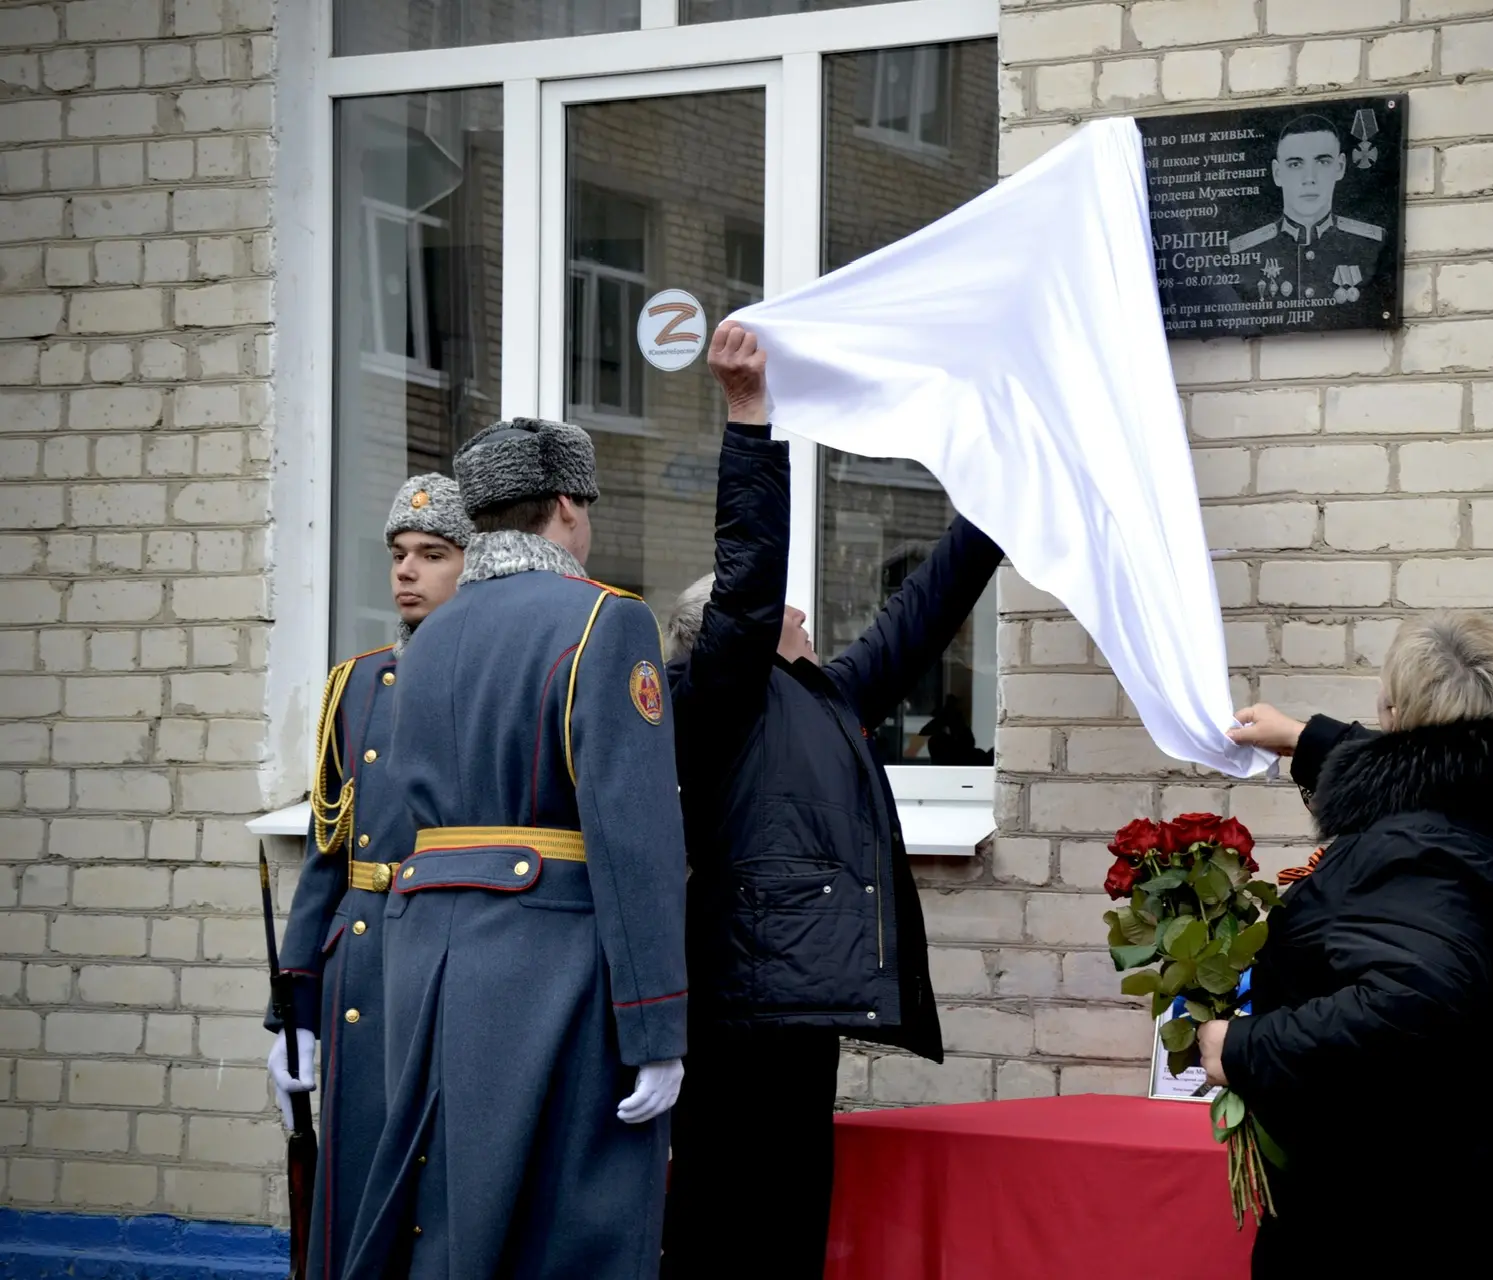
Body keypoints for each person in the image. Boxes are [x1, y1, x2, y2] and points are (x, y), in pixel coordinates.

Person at [658, 322, 1005, 1280]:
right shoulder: (714, 696)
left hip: (798, 1007)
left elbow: (920, 615)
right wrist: (750, 417)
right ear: (734, 631)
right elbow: (749, 575)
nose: (803, 611)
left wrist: (994, 504)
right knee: (724, 1226)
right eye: (786, 607)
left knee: (790, 1225)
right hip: (736, 1011)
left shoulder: (825, 697)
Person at [341, 418, 687, 1279]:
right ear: (567, 506)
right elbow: (634, 833)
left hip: (427, 956)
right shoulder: (605, 619)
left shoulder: (425, 640)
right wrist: (656, 1023)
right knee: (571, 1226)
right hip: (556, 957)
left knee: (451, 1218)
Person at [1206, 613, 1493, 1277]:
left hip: (1404, 1217)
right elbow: (1437, 770)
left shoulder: (1417, 852)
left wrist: (1242, 1048)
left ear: (1393, 712)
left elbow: (1405, 1004)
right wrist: (1307, 739)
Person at [266, 474, 471, 1280]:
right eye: (398, 554)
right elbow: (329, 856)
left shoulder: (490, 676)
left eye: (433, 553)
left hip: (453, 954)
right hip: (363, 958)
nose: (407, 571)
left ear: (474, 562)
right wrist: (294, 1015)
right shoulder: (357, 683)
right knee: (353, 1187)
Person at [1226, 114, 1384, 306]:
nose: (1309, 178)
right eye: (1295, 164)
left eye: (1323, 162)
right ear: (1277, 173)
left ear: (1340, 167)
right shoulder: (1242, 253)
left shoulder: (1371, 245)